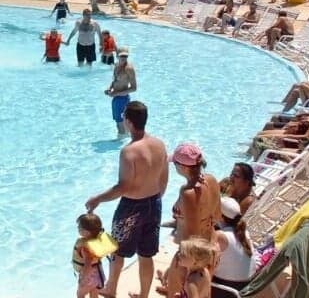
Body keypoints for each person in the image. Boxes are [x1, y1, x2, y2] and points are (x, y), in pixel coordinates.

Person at [85, 101, 168, 298]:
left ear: (129, 122)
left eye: (124, 117)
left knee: (117, 250)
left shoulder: (129, 152)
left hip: (132, 207)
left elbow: (123, 187)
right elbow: (164, 176)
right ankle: (144, 295)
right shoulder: (159, 144)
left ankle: (111, 289)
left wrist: (98, 199)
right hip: (154, 203)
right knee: (146, 254)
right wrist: (157, 197)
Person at [161, 143, 222, 298]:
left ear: (183, 167)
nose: (175, 166)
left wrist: (177, 263)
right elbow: (217, 216)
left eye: (175, 163)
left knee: (177, 292)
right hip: (210, 247)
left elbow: (192, 234)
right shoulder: (212, 181)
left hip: (191, 256)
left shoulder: (188, 192)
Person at [212, 197, 256, 298]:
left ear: (221, 217)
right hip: (245, 287)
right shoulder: (245, 233)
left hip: (225, 290)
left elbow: (206, 263)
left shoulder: (220, 236)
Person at [74, 213, 117, 298]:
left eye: (79, 227)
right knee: (94, 294)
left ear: (86, 232)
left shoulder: (85, 247)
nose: (78, 228)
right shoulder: (96, 242)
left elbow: (88, 263)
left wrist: (83, 278)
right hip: (98, 274)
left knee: (80, 294)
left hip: (89, 276)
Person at [105, 48, 136, 137]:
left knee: (123, 123)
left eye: (125, 56)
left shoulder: (129, 69)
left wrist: (116, 93)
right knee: (118, 122)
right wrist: (109, 88)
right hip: (116, 98)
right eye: (122, 56)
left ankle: (123, 142)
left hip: (123, 99)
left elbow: (134, 88)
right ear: (117, 55)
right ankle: (122, 140)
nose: (123, 58)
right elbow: (114, 81)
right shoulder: (116, 66)